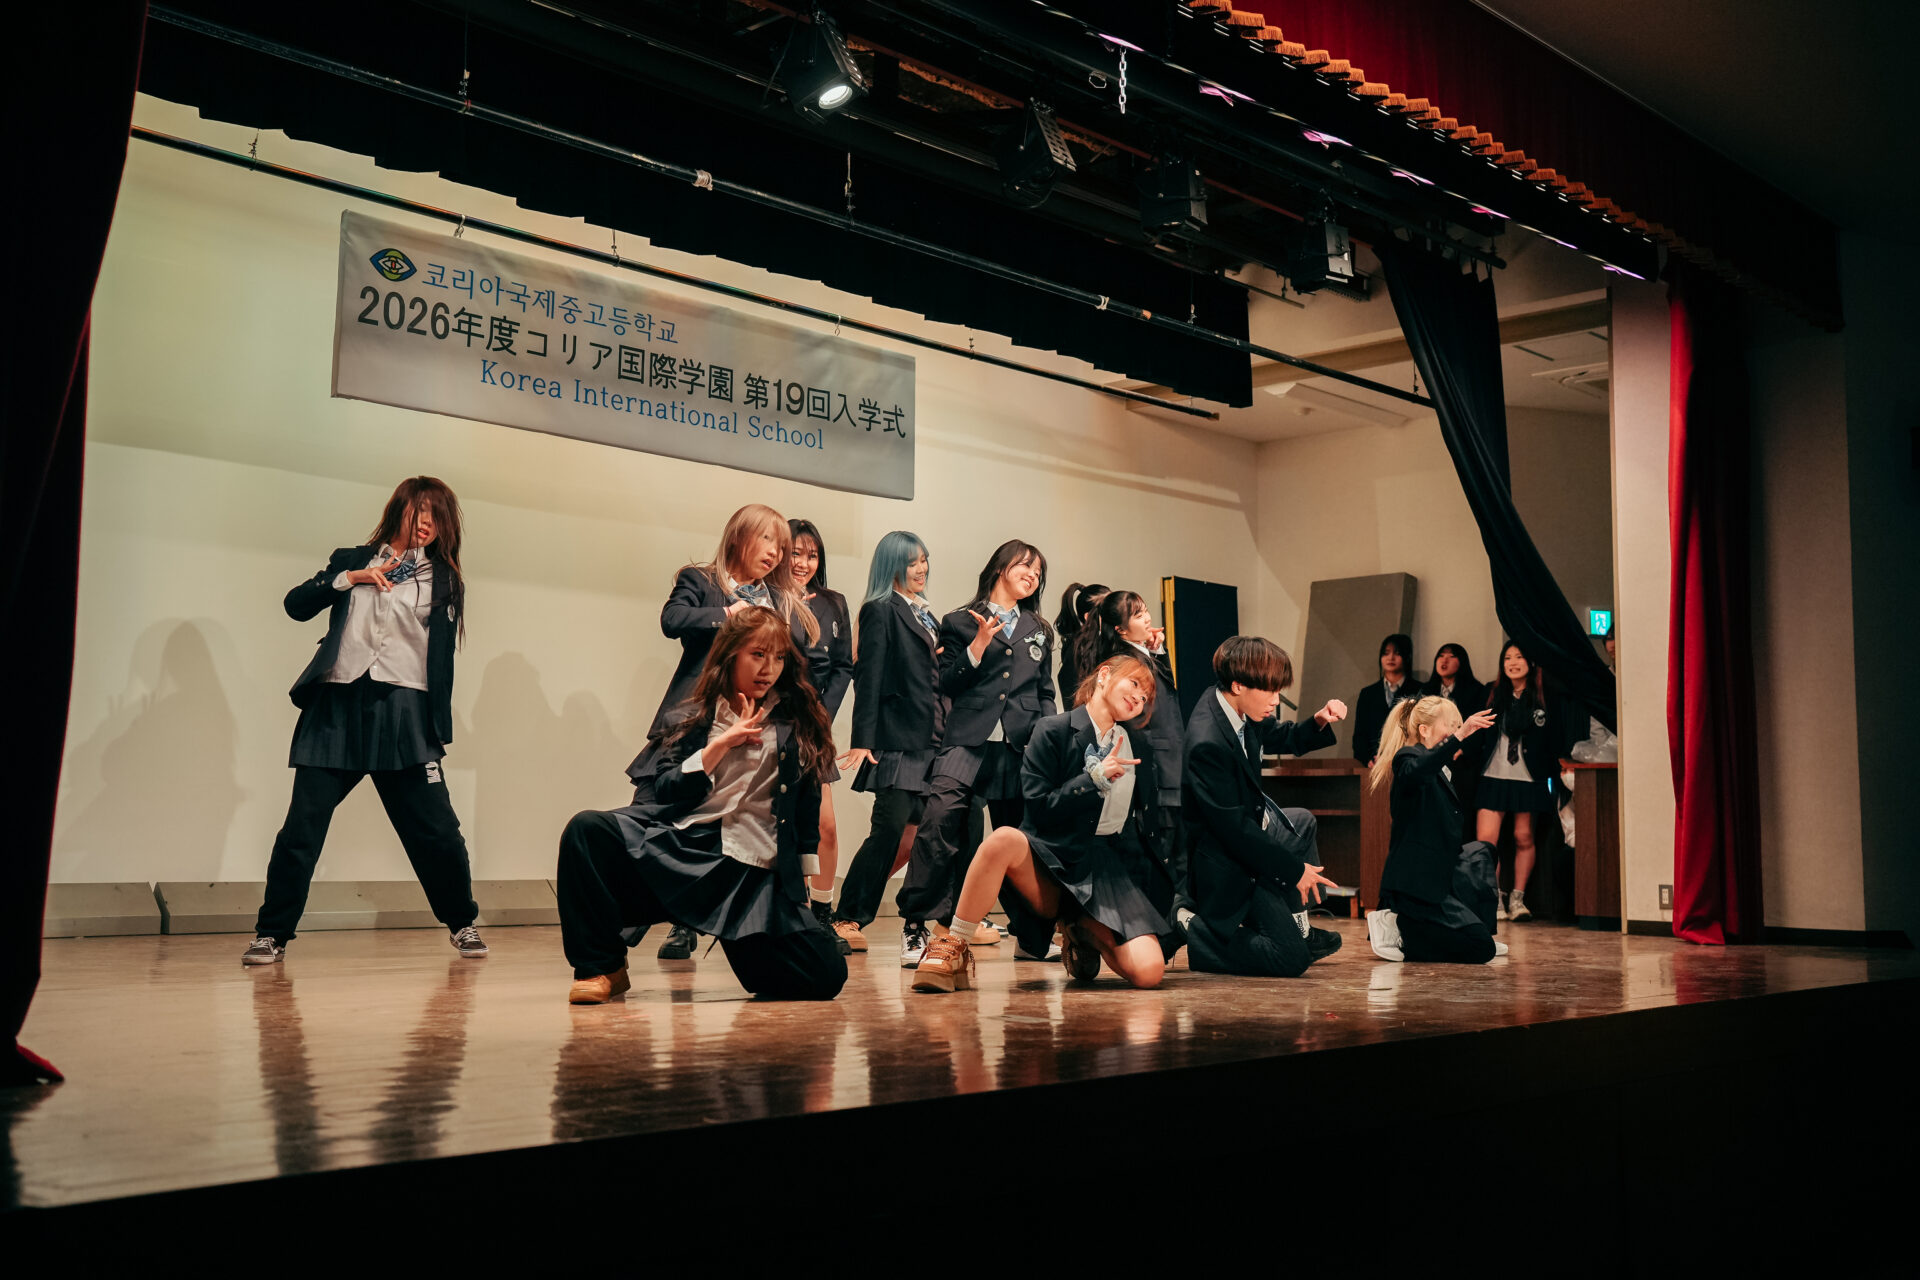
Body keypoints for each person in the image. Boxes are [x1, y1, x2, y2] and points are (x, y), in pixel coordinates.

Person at [242, 477, 486, 966]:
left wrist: (436, 723)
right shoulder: (352, 559)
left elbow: (439, 659)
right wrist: (351, 578)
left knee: (437, 832)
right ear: (398, 510)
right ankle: (272, 934)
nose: (426, 523)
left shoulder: (443, 578)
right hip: (337, 707)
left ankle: (462, 922)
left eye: (436, 516)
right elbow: (295, 605)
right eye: (419, 511)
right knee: (301, 830)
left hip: (405, 712)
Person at [559, 608, 848, 1004]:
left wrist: (800, 888)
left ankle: (754, 950)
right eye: (758, 655)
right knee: (586, 830)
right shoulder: (694, 715)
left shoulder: (798, 719)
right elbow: (663, 789)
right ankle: (600, 966)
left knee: (825, 975)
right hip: (689, 847)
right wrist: (719, 746)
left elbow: (807, 807)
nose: (769, 669)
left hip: (752, 870)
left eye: (779, 657)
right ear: (731, 654)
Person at [911, 654, 1176, 993]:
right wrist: (1090, 780)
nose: (1138, 698)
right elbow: (1038, 809)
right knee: (1003, 839)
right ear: (1104, 676)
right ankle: (954, 945)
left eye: (1144, 697)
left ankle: (1081, 931)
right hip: (1055, 860)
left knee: (1149, 972)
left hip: (1106, 868)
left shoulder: (1138, 744)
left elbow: (1142, 827)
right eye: (1134, 684)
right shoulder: (1052, 730)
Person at [629, 504, 819, 959]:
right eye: (768, 541)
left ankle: (691, 922)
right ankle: (613, 942)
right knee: (649, 822)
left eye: (781, 547)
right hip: (693, 724)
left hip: (755, 730)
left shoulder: (780, 600)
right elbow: (673, 620)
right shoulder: (701, 580)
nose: (775, 554)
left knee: (719, 824)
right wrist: (728, 614)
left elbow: (798, 659)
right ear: (739, 537)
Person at [895, 540, 1056, 967]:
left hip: (1020, 747)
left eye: (1038, 572)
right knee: (938, 823)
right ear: (1001, 567)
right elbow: (948, 682)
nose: (1032, 575)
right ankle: (916, 925)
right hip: (966, 740)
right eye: (1025, 566)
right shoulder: (959, 620)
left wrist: (1047, 740)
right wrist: (977, 646)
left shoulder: (1039, 629)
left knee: (1019, 837)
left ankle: (1031, 937)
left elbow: (1045, 692)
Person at [1181, 637, 1350, 978]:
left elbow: (1283, 736)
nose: (1276, 700)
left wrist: (1319, 721)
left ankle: (1300, 927)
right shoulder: (1207, 742)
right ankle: (1196, 932)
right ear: (1238, 685)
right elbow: (1234, 832)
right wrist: (1295, 871)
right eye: (1270, 691)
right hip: (1225, 862)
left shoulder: (1237, 706)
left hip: (1246, 839)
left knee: (1301, 822)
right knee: (1290, 960)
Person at [831, 531, 947, 952]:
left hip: (934, 739)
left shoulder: (926, 615)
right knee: (889, 830)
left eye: (924, 560)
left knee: (918, 837)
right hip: (898, 741)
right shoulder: (880, 610)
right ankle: (846, 916)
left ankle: (925, 918)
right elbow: (869, 677)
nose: (922, 569)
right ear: (892, 565)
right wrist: (864, 740)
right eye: (912, 562)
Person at [1364, 696, 1507, 964]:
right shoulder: (1408, 757)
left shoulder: (1441, 768)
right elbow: (1419, 770)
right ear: (1424, 730)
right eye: (1450, 726)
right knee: (1481, 949)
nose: (1456, 732)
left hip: (1439, 874)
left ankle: (1473, 931)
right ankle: (1402, 933)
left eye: (1458, 727)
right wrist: (1459, 736)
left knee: (1482, 852)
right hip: (1417, 884)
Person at [1078, 590, 1188, 912]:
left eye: (1146, 611)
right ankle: (1161, 924)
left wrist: (1158, 652)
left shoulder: (1143, 655)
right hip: (1156, 766)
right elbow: (1140, 720)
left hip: (1169, 762)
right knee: (1164, 854)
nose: (1148, 618)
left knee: (1174, 852)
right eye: (1138, 615)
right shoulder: (1127, 664)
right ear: (1121, 630)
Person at [789, 518, 855, 953]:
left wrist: (821, 714)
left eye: (812, 555)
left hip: (815, 727)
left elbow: (844, 666)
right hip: (773, 721)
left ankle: (823, 913)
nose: (804, 562)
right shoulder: (768, 597)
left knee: (825, 825)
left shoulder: (834, 602)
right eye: (796, 553)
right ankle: (789, 909)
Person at [1473, 640, 1566, 922]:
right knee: (1486, 841)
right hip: (1493, 774)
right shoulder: (1491, 692)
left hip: (1527, 776)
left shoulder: (1543, 696)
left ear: (1531, 662)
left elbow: (1554, 737)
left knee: (1523, 836)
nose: (1513, 663)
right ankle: (1494, 899)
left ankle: (1518, 898)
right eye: (1508, 658)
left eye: (1519, 657)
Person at [1351, 632, 1418, 764]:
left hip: (1408, 762)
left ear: (1407, 656)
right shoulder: (1368, 693)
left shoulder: (1419, 690)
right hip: (1374, 763)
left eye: (1397, 653)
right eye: (1386, 653)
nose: (1390, 658)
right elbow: (1360, 734)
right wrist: (1368, 759)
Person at [1053, 582, 1111, 708]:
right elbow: (1073, 704)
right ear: (1088, 616)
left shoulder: (1111, 643)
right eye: (1107, 610)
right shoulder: (1077, 652)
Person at [1422, 643, 1486, 716]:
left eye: (1452, 656)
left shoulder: (1476, 691)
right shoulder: (1426, 690)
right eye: (1441, 656)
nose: (1444, 660)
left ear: (1462, 662)